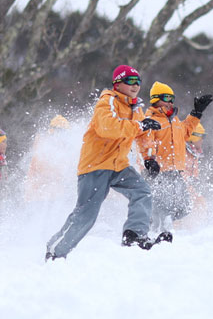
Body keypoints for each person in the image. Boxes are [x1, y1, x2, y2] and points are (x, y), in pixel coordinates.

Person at [45, 65, 163, 261]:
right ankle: (56, 251)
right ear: (117, 84)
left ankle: (134, 235)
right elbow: (108, 127)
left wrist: (149, 157)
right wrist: (138, 125)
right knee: (87, 214)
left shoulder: (135, 108)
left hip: (119, 166)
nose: (136, 86)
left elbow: (142, 134)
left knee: (142, 191)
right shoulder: (107, 101)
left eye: (138, 82)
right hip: (96, 166)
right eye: (130, 81)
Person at [140, 81, 212, 233]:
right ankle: (157, 231)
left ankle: (156, 222)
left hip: (174, 171)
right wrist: (150, 160)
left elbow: (185, 132)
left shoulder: (174, 120)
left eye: (172, 97)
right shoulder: (151, 119)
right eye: (166, 97)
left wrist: (196, 113)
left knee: (185, 207)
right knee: (164, 206)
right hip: (157, 171)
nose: (170, 101)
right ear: (156, 99)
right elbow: (146, 142)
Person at [25, 115, 72, 202]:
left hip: (54, 195)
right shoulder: (43, 146)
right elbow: (38, 170)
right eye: (63, 132)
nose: (65, 136)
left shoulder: (62, 148)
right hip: (41, 195)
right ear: (55, 131)